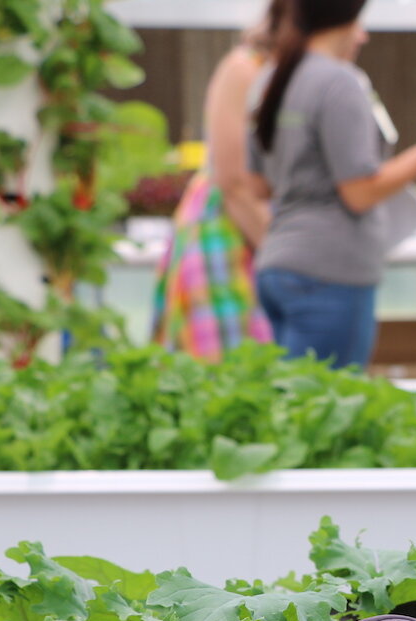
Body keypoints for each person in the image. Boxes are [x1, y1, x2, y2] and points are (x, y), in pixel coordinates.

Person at [250, 0, 416, 370]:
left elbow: (258, 184)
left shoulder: (274, 79)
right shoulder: (337, 81)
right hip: (330, 271)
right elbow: (359, 192)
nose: (363, 35)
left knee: (289, 406)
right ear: (344, 20)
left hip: (279, 265)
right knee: (324, 409)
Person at [149, 1, 285, 362]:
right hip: (226, 230)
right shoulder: (244, 69)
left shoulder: (284, 73)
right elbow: (232, 180)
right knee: (224, 370)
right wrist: (282, 258)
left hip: (255, 225)